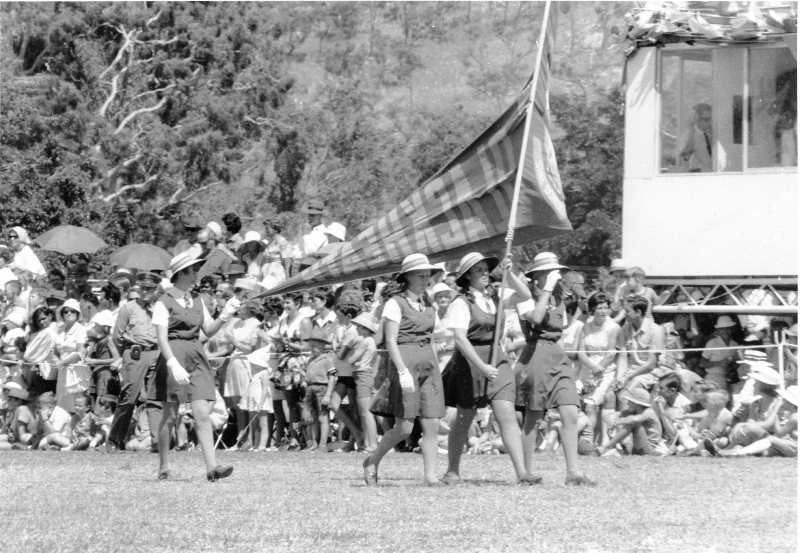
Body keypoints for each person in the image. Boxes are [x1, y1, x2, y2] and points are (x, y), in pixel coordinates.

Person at [441, 252, 534, 486]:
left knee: (507, 414)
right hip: (470, 363)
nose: (485, 274)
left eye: (486, 269)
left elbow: (525, 295)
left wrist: (510, 273)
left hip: (498, 360)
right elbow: (460, 340)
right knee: (465, 418)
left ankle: (522, 472)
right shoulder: (461, 303)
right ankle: (452, 470)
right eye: (479, 270)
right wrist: (480, 366)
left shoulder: (497, 297)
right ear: (467, 276)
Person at [507, 252, 595, 486]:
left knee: (570, 413)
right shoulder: (524, 296)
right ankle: (525, 472)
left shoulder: (559, 298)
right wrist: (547, 290)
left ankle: (573, 472)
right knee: (534, 417)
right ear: (536, 277)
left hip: (558, 356)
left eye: (554, 272)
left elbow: (561, 331)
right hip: (536, 355)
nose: (554, 276)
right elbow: (536, 318)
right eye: (547, 273)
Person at [152, 250, 240, 481]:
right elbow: (161, 338)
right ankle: (164, 465)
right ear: (181, 273)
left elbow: (208, 331)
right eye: (192, 270)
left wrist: (225, 315)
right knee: (170, 415)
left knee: (202, 413)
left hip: (196, 356)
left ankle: (212, 467)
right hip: (174, 357)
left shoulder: (198, 299)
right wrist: (172, 363)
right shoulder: (164, 302)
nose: (196, 274)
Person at [362, 253, 445, 486]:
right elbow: (390, 340)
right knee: (405, 428)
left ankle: (431, 476)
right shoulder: (395, 303)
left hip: (429, 365)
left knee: (432, 423)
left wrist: (435, 363)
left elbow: (432, 338)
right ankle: (372, 460)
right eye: (419, 275)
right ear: (406, 277)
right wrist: (401, 371)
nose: (424, 278)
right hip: (405, 363)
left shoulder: (429, 303)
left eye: (427, 275)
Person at [106, 272, 162, 452]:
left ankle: (157, 440)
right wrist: (120, 358)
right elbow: (117, 338)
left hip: (156, 352)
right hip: (135, 354)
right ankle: (114, 440)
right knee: (129, 397)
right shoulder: (128, 308)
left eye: (150, 289)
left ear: (156, 290)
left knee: (155, 398)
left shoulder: (160, 308)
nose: (146, 292)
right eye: (143, 288)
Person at [577, 292, 621, 446]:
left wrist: (597, 370)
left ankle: (588, 441)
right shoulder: (585, 327)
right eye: (599, 308)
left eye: (606, 308)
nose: (603, 311)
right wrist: (590, 367)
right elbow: (581, 352)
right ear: (592, 310)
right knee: (577, 403)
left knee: (590, 405)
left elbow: (610, 354)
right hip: (587, 367)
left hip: (605, 370)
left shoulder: (613, 327)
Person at [615, 296, 665, 393]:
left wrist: (628, 377)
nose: (624, 314)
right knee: (609, 394)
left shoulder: (656, 330)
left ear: (638, 312)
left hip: (649, 373)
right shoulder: (624, 330)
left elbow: (651, 364)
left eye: (627, 311)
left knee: (624, 396)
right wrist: (619, 377)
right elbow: (622, 357)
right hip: (629, 371)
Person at [598, 387, 667, 456]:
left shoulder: (649, 412)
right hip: (638, 448)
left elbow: (635, 419)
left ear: (637, 404)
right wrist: (612, 422)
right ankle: (615, 447)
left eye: (630, 401)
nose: (627, 403)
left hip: (650, 448)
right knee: (626, 420)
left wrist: (617, 422)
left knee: (634, 423)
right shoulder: (634, 411)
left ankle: (607, 447)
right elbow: (619, 415)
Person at [301, 327, 336, 453]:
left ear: (322, 346)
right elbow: (308, 375)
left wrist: (328, 395)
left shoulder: (327, 360)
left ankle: (323, 444)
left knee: (323, 417)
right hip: (310, 389)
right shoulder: (310, 360)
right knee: (313, 418)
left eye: (314, 345)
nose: (311, 348)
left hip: (322, 389)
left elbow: (332, 377)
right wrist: (304, 380)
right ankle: (314, 444)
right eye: (310, 346)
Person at [53, 299, 87, 413]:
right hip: (62, 372)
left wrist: (63, 362)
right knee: (62, 406)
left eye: (72, 311)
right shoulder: (61, 330)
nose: (69, 313)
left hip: (76, 373)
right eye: (66, 311)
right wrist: (58, 361)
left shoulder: (81, 330)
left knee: (75, 406)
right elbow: (55, 350)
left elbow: (80, 353)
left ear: (77, 314)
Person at [700, 315, 741, 392]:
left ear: (732, 329)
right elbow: (702, 363)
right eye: (722, 329)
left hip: (727, 380)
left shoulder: (735, 344)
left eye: (727, 328)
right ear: (718, 330)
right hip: (712, 379)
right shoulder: (712, 343)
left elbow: (738, 363)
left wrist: (733, 365)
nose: (725, 331)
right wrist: (719, 363)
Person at [679, 102, 713, 172]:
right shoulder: (687, 136)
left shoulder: (714, 134)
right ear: (696, 118)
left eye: (711, 119)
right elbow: (684, 159)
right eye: (706, 119)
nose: (709, 122)